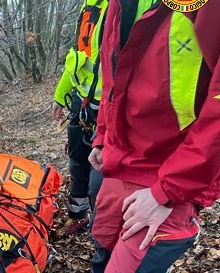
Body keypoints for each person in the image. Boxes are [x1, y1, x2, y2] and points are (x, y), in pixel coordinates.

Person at [88, 1, 220, 272]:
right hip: (119, 162)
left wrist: (168, 191)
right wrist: (102, 135)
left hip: (172, 176)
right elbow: (113, 73)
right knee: (102, 253)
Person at [51, 0, 108, 234]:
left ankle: (101, 223)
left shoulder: (124, 7)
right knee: (77, 161)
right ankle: (77, 215)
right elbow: (78, 57)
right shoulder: (89, 6)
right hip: (82, 102)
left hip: (110, 106)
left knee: (102, 173)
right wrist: (60, 94)